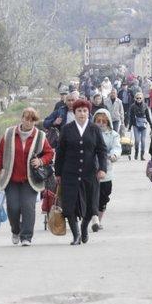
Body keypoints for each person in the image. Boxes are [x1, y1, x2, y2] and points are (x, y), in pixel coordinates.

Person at [0, 107, 55, 247]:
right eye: (26, 118)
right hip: (11, 178)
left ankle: (26, 237)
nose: (28, 122)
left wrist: (41, 161)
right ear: (21, 118)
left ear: (35, 121)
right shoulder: (9, 133)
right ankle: (16, 230)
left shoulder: (40, 136)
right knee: (13, 207)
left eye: (32, 120)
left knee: (28, 207)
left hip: (30, 180)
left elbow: (49, 153)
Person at [53, 98, 108, 245]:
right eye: (79, 111)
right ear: (74, 112)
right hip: (69, 173)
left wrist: (102, 168)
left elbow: (102, 151)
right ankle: (76, 235)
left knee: (91, 205)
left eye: (85, 111)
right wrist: (58, 173)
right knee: (70, 205)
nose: (82, 113)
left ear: (88, 112)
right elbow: (60, 153)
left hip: (90, 173)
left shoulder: (94, 129)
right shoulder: (67, 129)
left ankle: (84, 227)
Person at [91, 109, 121, 231]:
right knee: (91, 196)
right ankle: (95, 221)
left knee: (103, 197)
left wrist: (114, 155)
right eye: (98, 121)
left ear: (108, 122)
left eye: (104, 121)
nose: (101, 123)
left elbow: (116, 147)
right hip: (91, 170)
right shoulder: (90, 133)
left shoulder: (114, 135)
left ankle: (99, 219)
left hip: (106, 170)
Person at [126, 93, 152, 160]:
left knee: (143, 141)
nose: (139, 99)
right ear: (135, 98)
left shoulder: (145, 106)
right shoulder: (132, 106)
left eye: (140, 98)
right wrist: (129, 127)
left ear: (142, 98)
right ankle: (136, 152)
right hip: (135, 125)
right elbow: (131, 117)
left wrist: (151, 124)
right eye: (137, 98)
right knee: (137, 140)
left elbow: (148, 116)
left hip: (143, 124)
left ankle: (142, 155)